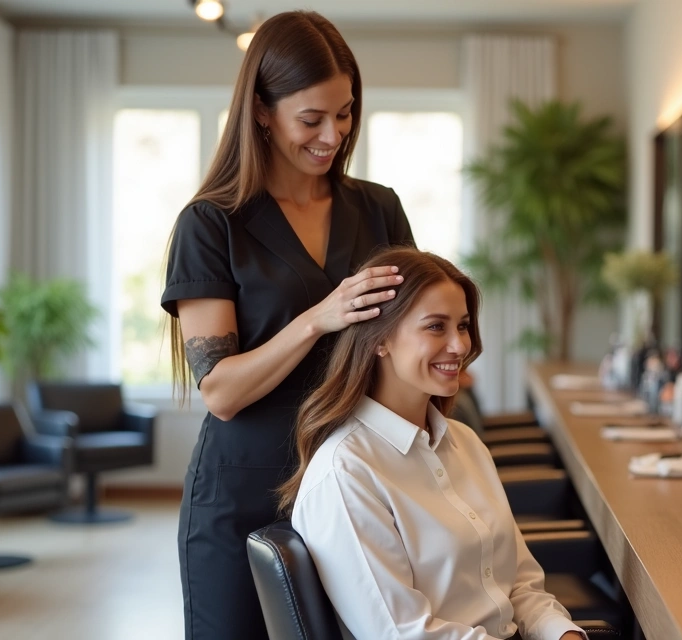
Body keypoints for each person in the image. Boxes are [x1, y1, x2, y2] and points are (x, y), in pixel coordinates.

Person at [160, 11, 414, 639]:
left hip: (359, 487)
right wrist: (318, 320)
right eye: (312, 119)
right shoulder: (211, 224)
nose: (333, 134)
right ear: (263, 113)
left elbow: (409, 341)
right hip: (244, 491)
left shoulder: (378, 209)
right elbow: (219, 391)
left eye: (345, 113)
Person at [278, 247, 586, 640]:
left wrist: (563, 634)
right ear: (380, 339)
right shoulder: (347, 473)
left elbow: (520, 585)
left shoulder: (466, 444)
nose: (460, 345)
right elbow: (405, 634)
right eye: (436, 327)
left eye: (462, 325)